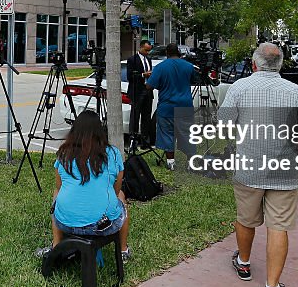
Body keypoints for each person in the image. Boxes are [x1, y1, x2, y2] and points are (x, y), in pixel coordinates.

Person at [219, 42, 298, 287]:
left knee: (245, 219)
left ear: (254, 63)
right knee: (279, 227)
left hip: (248, 167)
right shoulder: (295, 91)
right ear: (281, 64)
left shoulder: (239, 87)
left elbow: (224, 124)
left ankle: (244, 263)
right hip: (284, 171)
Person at [37, 111, 131, 261]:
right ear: (101, 131)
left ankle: (56, 245)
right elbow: (116, 189)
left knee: (57, 195)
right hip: (103, 225)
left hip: (64, 222)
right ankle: (123, 250)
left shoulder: (64, 154)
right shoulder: (113, 154)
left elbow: (59, 187)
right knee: (121, 196)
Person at [146, 43, 195, 170]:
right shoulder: (189, 66)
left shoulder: (161, 67)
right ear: (178, 52)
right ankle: (190, 162)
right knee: (187, 133)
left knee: (167, 134)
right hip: (185, 106)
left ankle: (171, 162)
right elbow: (196, 80)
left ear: (167, 53)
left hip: (167, 106)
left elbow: (149, 86)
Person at [126, 39, 154, 145]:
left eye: (149, 51)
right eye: (146, 50)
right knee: (135, 116)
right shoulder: (132, 59)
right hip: (137, 91)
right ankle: (133, 139)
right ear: (141, 47)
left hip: (148, 91)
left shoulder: (149, 59)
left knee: (146, 116)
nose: (148, 53)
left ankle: (144, 140)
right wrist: (143, 75)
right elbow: (130, 76)